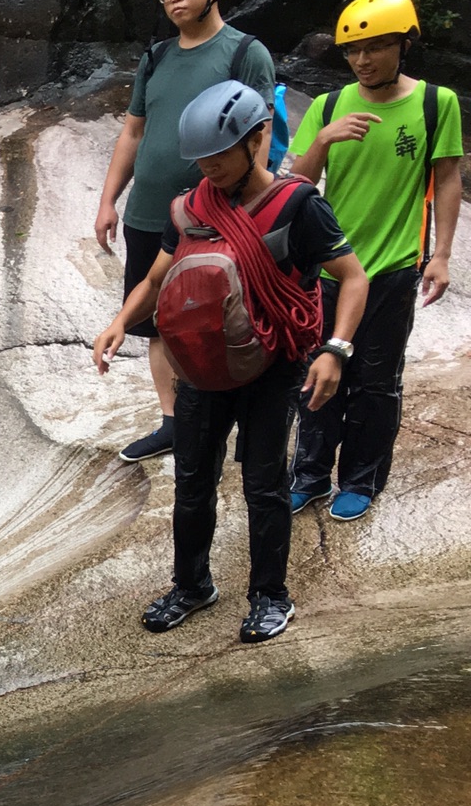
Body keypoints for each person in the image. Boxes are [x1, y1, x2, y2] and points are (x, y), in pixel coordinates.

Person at [93, 80, 367, 643]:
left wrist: (335, 349)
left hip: (272, 365)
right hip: (201, 364)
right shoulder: (190, 207)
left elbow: (353, 277)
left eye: (220, 154)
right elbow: (157, 276)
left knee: (264, 484)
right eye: (201, 158)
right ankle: (191, 585)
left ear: (257, 138)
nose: (210, 167)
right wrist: (121, 320)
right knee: (193, 480)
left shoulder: (299, 207)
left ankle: (271, 596)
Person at [94, 0, 278, 463]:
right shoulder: (156, 56)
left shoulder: (245, 53)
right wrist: (110, 199)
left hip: (216, 217)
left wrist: (246, 209)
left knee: (221, 317)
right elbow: (133, 131)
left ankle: (227, 420)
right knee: (160, 321)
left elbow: (258, 131)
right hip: (150, 213)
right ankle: (174, 423)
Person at [284, 0, 462, 522]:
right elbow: (295, 185)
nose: (363, 60)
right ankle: (311, 474)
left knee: (376, 381)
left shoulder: (436, 103)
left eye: (376, 47)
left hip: (392, 267)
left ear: (404, 45)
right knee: (317, 372)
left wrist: (443, 255)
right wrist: (324, 140)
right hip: (331, 267)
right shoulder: (329, 106)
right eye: (353, 51)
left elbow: (448, 178)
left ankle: (360, 479)